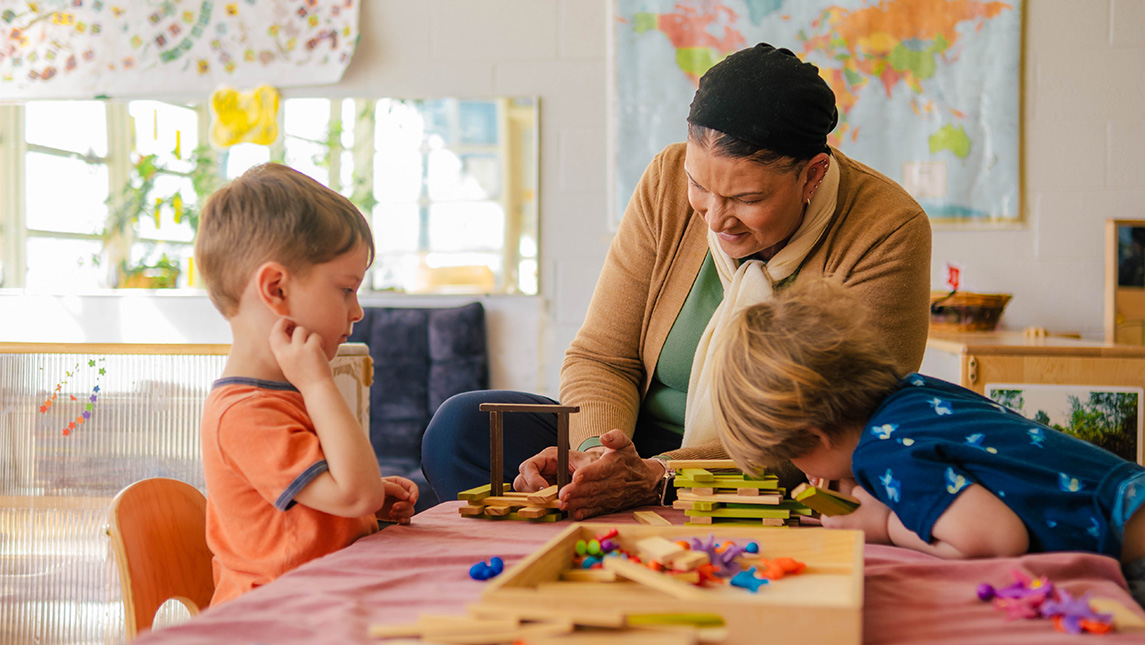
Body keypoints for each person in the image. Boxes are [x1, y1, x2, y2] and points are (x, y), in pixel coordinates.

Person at [421, 42, 932, 520]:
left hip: (773, 467)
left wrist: (662, 476)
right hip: (631, 444)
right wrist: (597, 455)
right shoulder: (664, 179)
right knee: (461, 428)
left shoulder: (886, 229)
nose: (715, 219)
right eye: (699, 186)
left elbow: (842, 427)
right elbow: (603, 357)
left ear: (813, 175)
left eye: (747, 200)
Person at [711, 279, 1145, 607]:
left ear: (815, 436)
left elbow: (995, 540)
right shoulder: (910, 394)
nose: (802, 470)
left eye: (792, 453)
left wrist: (884, 525)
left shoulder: (885, 452)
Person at [194, 163, 418, 605]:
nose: (358, 312)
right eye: (346, 289)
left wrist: (365, 503)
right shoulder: (244, 413)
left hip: (321, 597)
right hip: (271, 617)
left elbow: (347, 497)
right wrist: (319, 384)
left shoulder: (278, 394)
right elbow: (356, 493)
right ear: (276, 288)